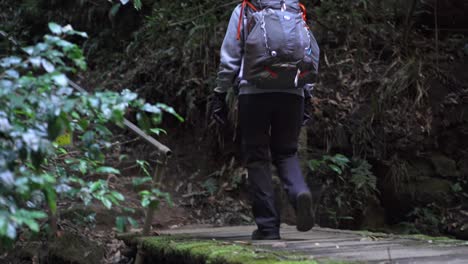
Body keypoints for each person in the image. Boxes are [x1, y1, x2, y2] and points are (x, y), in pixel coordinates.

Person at [211, 0, 319, 240]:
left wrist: (220, 92)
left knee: (257, 157)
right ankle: (299, 192)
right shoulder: (294, 9)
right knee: (287, 152)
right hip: (292, 92)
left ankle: (269, 228)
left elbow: (230, 56)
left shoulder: (245, 9)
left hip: (254, 92)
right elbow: (310, 51)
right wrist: (307, 91)